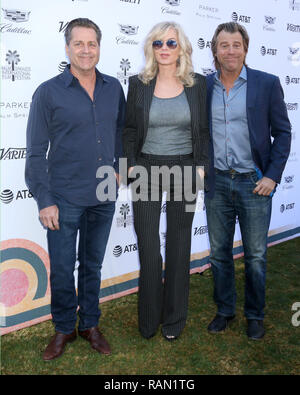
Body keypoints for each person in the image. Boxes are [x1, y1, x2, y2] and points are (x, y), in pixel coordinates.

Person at [25, 18, 125, 360]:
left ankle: (90, 325)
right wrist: (45, 200)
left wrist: (121, 170)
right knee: (64, 267)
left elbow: (123, 134)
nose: (86, 50)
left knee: (93, 264)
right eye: (79, 44)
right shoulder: (48, 92)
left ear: (99, 47)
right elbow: (36, 151)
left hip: (102, 193)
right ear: (67, 48)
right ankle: (64, 328)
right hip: (63, 196)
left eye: (92, 43)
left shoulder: (114, 88)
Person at [123, 21, 210, 341]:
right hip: (145, 169)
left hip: (185, 169)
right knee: (148, 247)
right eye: (158, 43)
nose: (164, 48)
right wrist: (130, 166)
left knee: (178, 245)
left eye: (171, 43)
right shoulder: (138, 83)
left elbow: (204, 132)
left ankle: (174, 320)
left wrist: (201, 167)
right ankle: (148, 320)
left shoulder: (198, 84)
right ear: (150, 47)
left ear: (182, 48)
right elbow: (129, 130)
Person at [205, 22, 291, 339]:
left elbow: (283, 133)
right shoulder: (203, 87)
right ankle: (225, 310)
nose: (230, 50)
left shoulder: (266, 84)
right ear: (215, 49)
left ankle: (255, 315)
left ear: (245, 48)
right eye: (224, 45)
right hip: (217, 184)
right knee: (218, 253)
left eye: (236, 44)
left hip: (254, 183)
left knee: (255, 255)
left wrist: (271, 176)